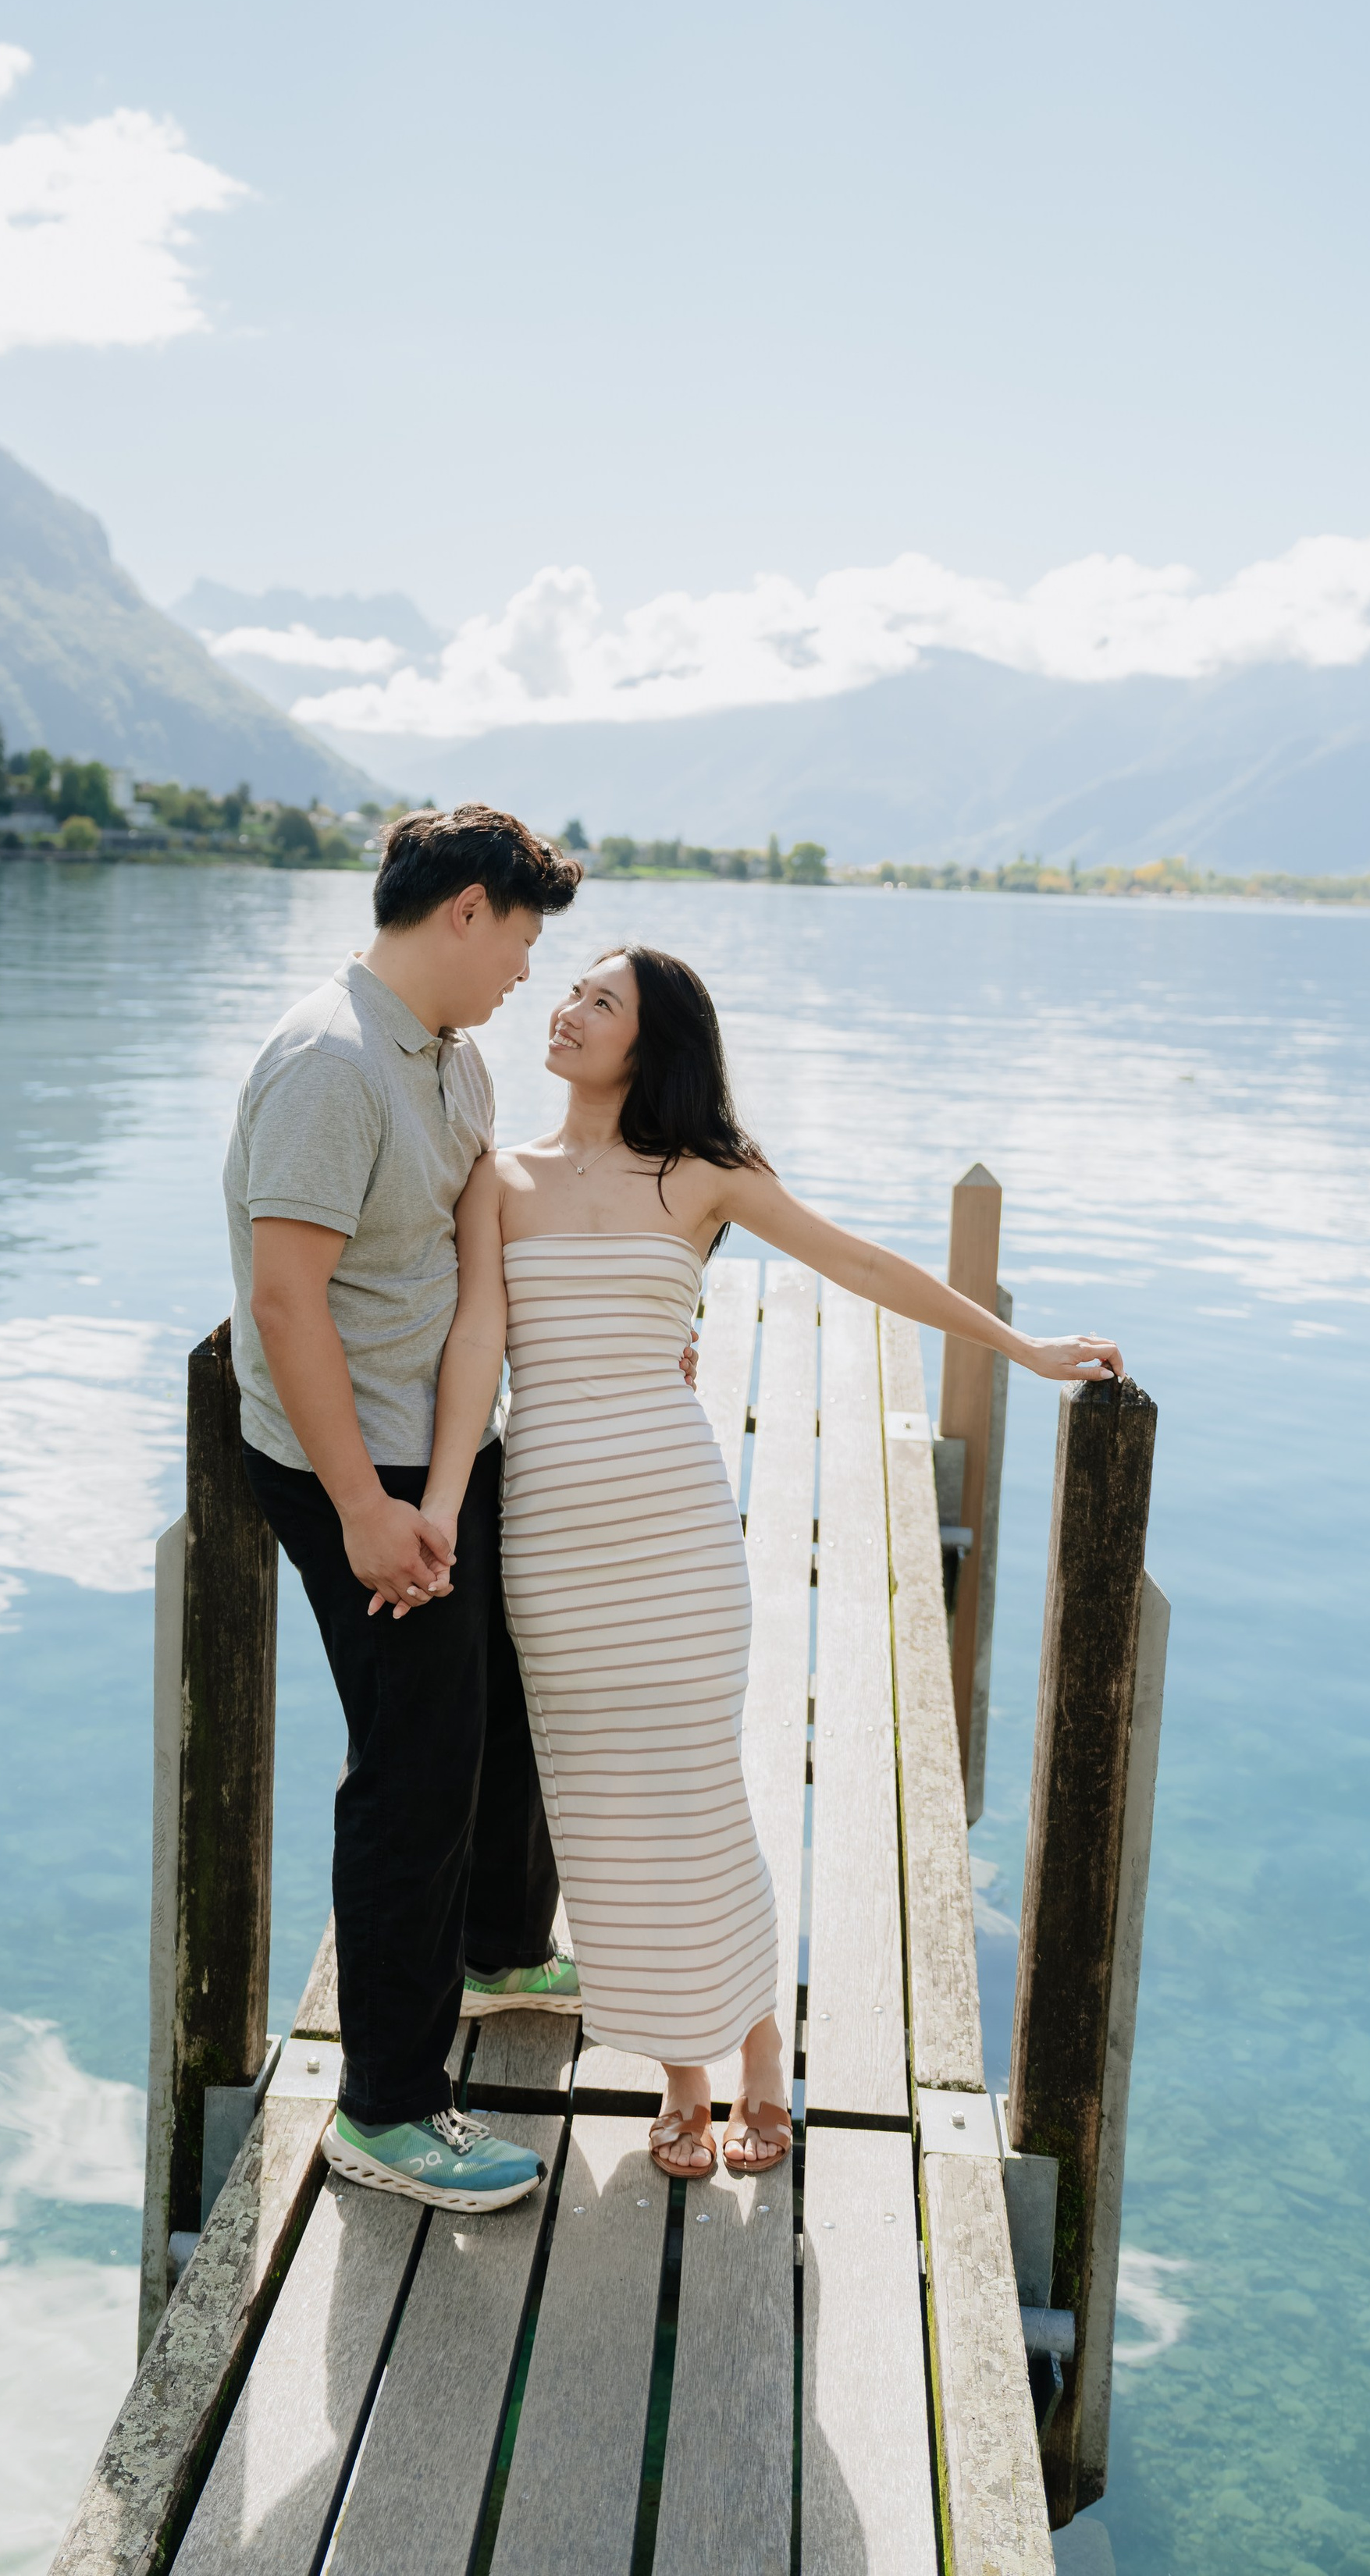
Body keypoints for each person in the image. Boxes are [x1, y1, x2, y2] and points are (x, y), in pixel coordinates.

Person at [421, 943, 1126, 2183]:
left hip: (675, 1530)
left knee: (695, 1800)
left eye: (601, 1002)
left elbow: (858, 1261)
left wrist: (1022, 1346)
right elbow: (477, 1337)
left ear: (653, 1043)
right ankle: (680, 2080)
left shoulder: (704, 1175)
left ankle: (758, 2065)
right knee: (602, 1822)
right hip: (547, 1532)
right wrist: (435, 1506)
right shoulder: (498, 1175)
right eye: (572, 991)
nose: (569, 1010)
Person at [224, 805, 588, 2217]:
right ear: (468, 911)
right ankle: (383, 2106)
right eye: (523, 938)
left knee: (501, 1700)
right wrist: (369, 1509)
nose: (526, 972)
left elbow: (466, 1261)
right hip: (342, 1469)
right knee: (415, 1764)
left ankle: (501, 1952)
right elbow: (282, 1300)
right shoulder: (329, 1062)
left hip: (433, 1452)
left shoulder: (451, 1059)